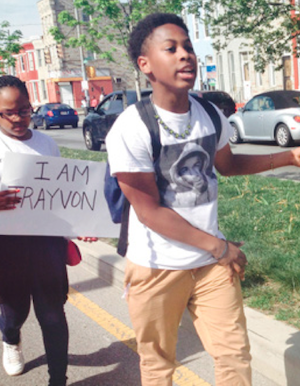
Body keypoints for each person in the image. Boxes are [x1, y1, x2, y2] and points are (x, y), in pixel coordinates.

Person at [106, 13, 300, 386]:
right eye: (172, 49)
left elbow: (227, 165)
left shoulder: (210, 114)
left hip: (210, 265)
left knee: (234, 355)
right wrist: (219, 247)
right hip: (156, 266)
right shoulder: (130, 128)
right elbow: (148, 211)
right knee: (159, 364)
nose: (186, 56)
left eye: (189, 47)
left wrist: (289, 157)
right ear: (145, 65)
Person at [0, 75, 96, 386]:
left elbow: (63, 194)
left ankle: (58, 379)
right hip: (7, 248)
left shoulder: (46, 143)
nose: (18, 118)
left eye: (24, 110)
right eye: (9, 112)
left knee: (53, 314)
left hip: (47, 246)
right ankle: (11, 339)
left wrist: (82, 224)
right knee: (14, 313)